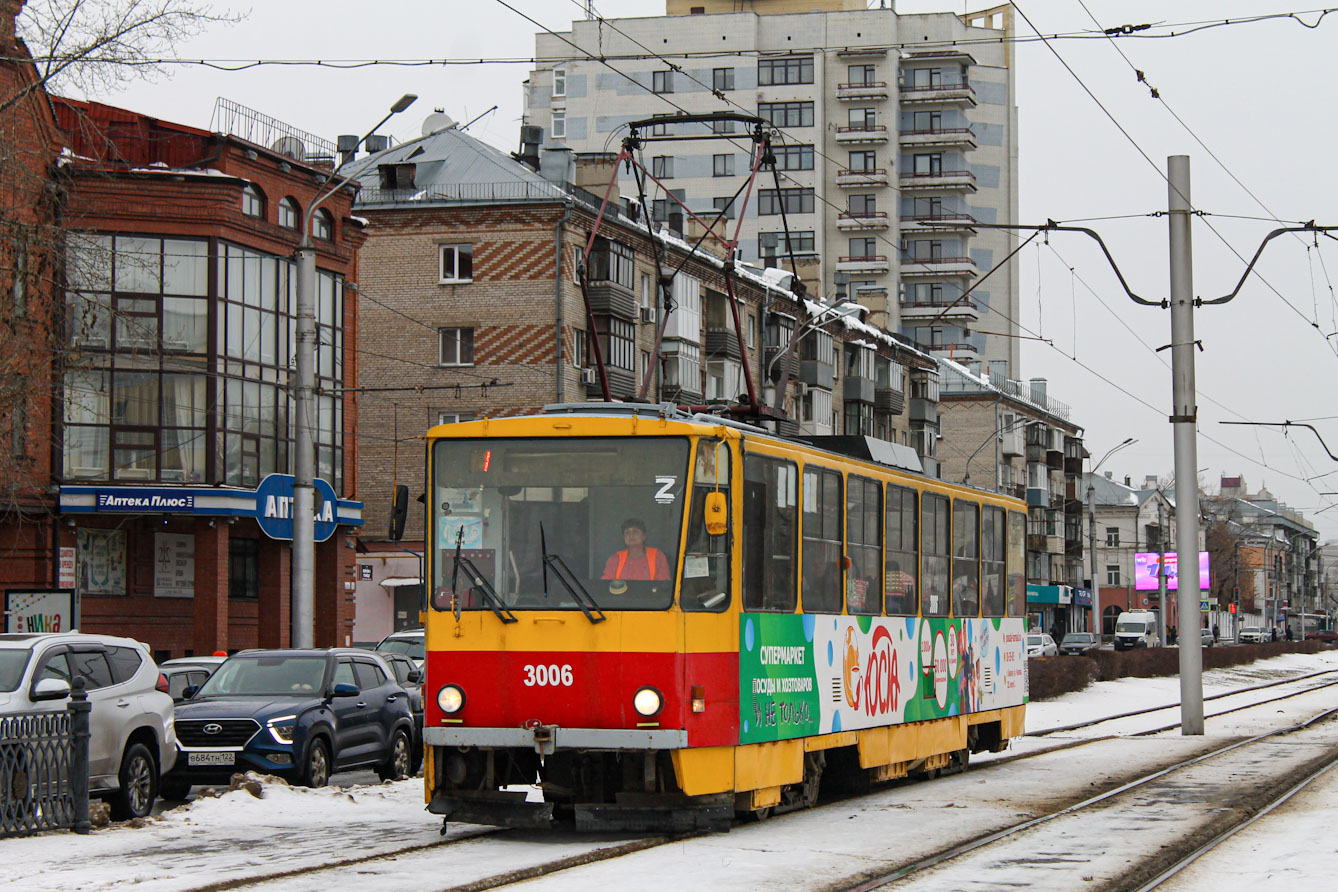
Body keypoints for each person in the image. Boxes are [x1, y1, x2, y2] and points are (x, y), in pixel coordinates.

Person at [602, 518, 670, 582]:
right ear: (624, 537)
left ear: (644, 536)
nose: (631, 535)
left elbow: (663, 585)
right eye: (627, 532)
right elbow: (606, 585)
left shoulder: (657, 556)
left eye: (635, 531)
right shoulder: (615, 558)